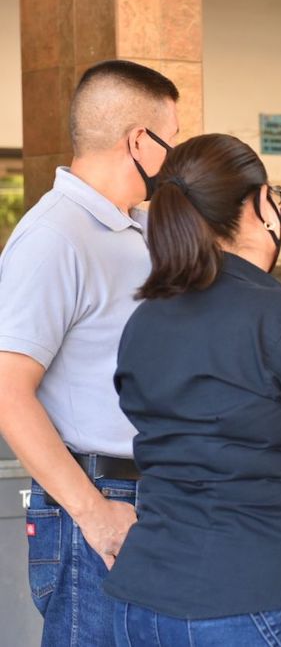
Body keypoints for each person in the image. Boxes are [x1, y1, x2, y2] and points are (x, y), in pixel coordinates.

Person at [103, 133, 281, 646]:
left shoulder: (144, 324)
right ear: (261, 203)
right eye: (276, 197)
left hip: (145, 599)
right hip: (271, 594)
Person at [0, 60, 178, 646]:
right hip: (99, 502)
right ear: (138, 141)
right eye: (168, 143)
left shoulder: (137, 231)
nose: (171, 159)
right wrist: (93, 512)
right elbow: (7, 389)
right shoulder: (54, 236)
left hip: (152, 497)